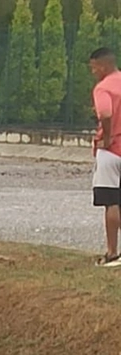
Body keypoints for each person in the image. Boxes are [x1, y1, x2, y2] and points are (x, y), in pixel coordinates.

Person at [90, 47, 121, 266]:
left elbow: (106, 113)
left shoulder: (103, 88)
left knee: (111, 201)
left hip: (112, 151)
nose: (93, 72)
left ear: (103, 65)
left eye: (93, 67)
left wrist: (108, 137)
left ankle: (112, 253)